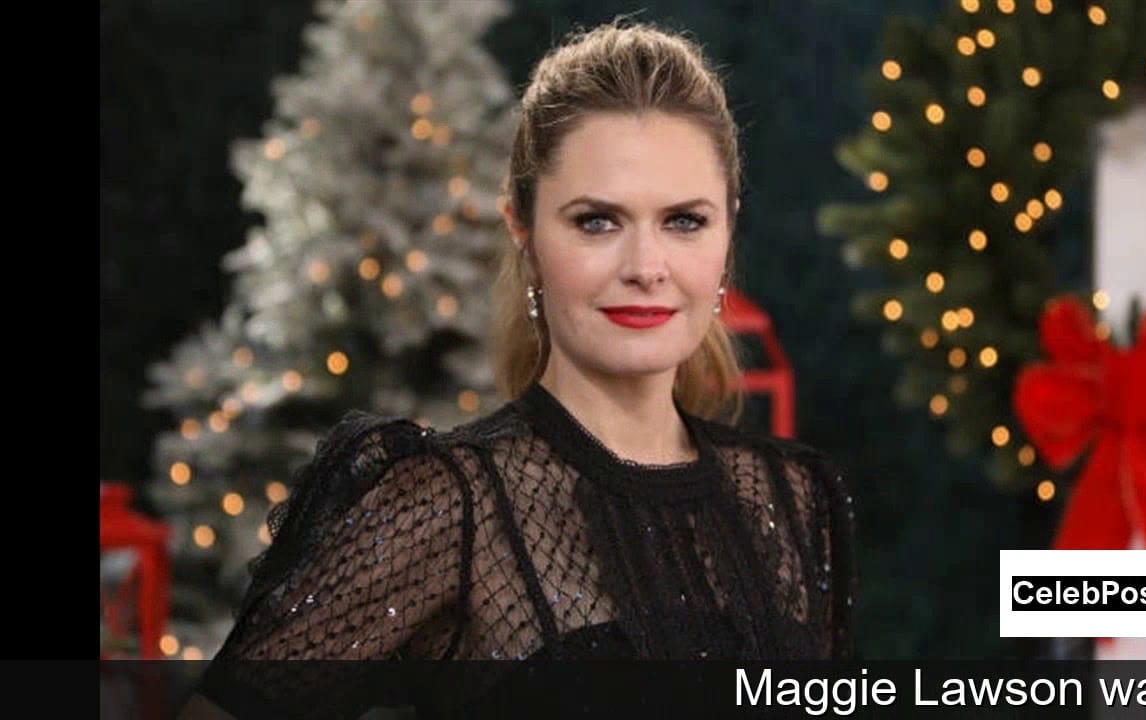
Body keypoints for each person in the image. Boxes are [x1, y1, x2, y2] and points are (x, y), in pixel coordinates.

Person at [182, 18, 855, 719]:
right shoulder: (445, 504)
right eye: (597, 221)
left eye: (684, 220)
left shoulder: (795, 500)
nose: (646, 268)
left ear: (727, 229)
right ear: (525, 234)